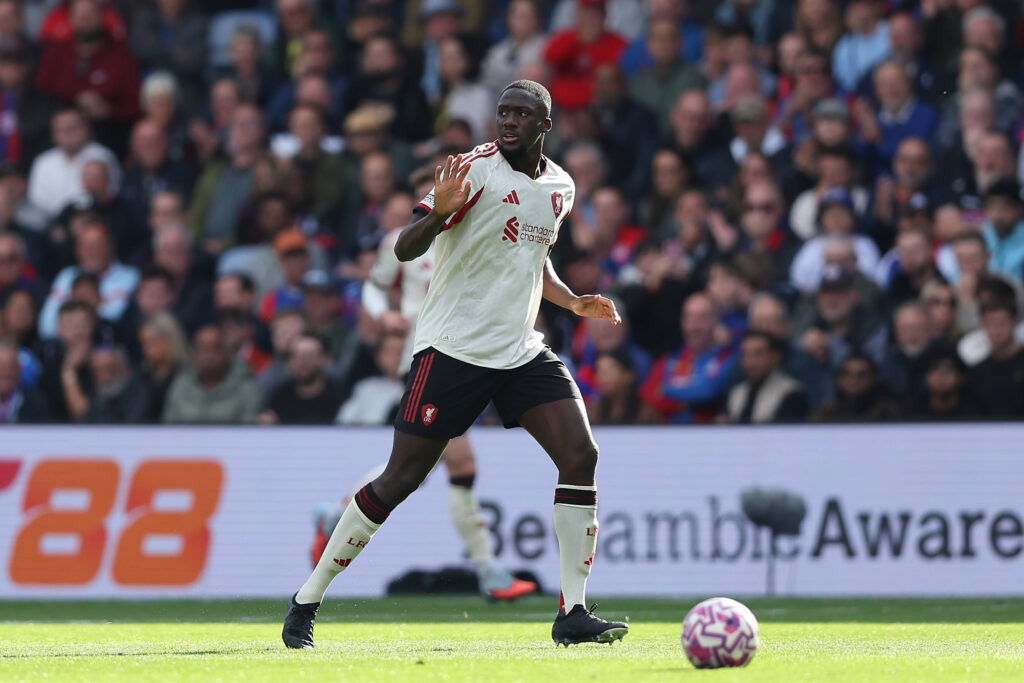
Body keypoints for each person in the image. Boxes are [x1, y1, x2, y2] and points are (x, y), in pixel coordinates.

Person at [283, 80, 628, 649]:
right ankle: (306, 600)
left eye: (521, 114)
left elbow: (533, 256)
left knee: (581, 455)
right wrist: (437, 214)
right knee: (400, 479)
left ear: (545, 125)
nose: (508, 121)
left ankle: (572, 611)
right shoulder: (470, 171)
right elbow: (405, 248)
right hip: (453, 350)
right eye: (503, 112)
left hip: (519, 350)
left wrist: (570, 301)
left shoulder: (560, 187)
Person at [162, 323, 261, 424]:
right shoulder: (181, 385)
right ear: (194, 353)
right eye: (203, 348)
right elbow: (169, 426)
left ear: (227, 352)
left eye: (215, 348)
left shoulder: (246, 388)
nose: (209, 355)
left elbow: (249, 429)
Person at [261, 332, 346, 425]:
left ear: (323, 359)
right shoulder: (280, 395)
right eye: (296, 355)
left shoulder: (340, 395)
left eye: (309, 355)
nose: (302, 362)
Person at [727, 330, 809, 424]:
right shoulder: (736, 393)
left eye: (758, 354)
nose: (750, 362)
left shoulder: (792, 393)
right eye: (745, 354)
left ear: (775, 356)